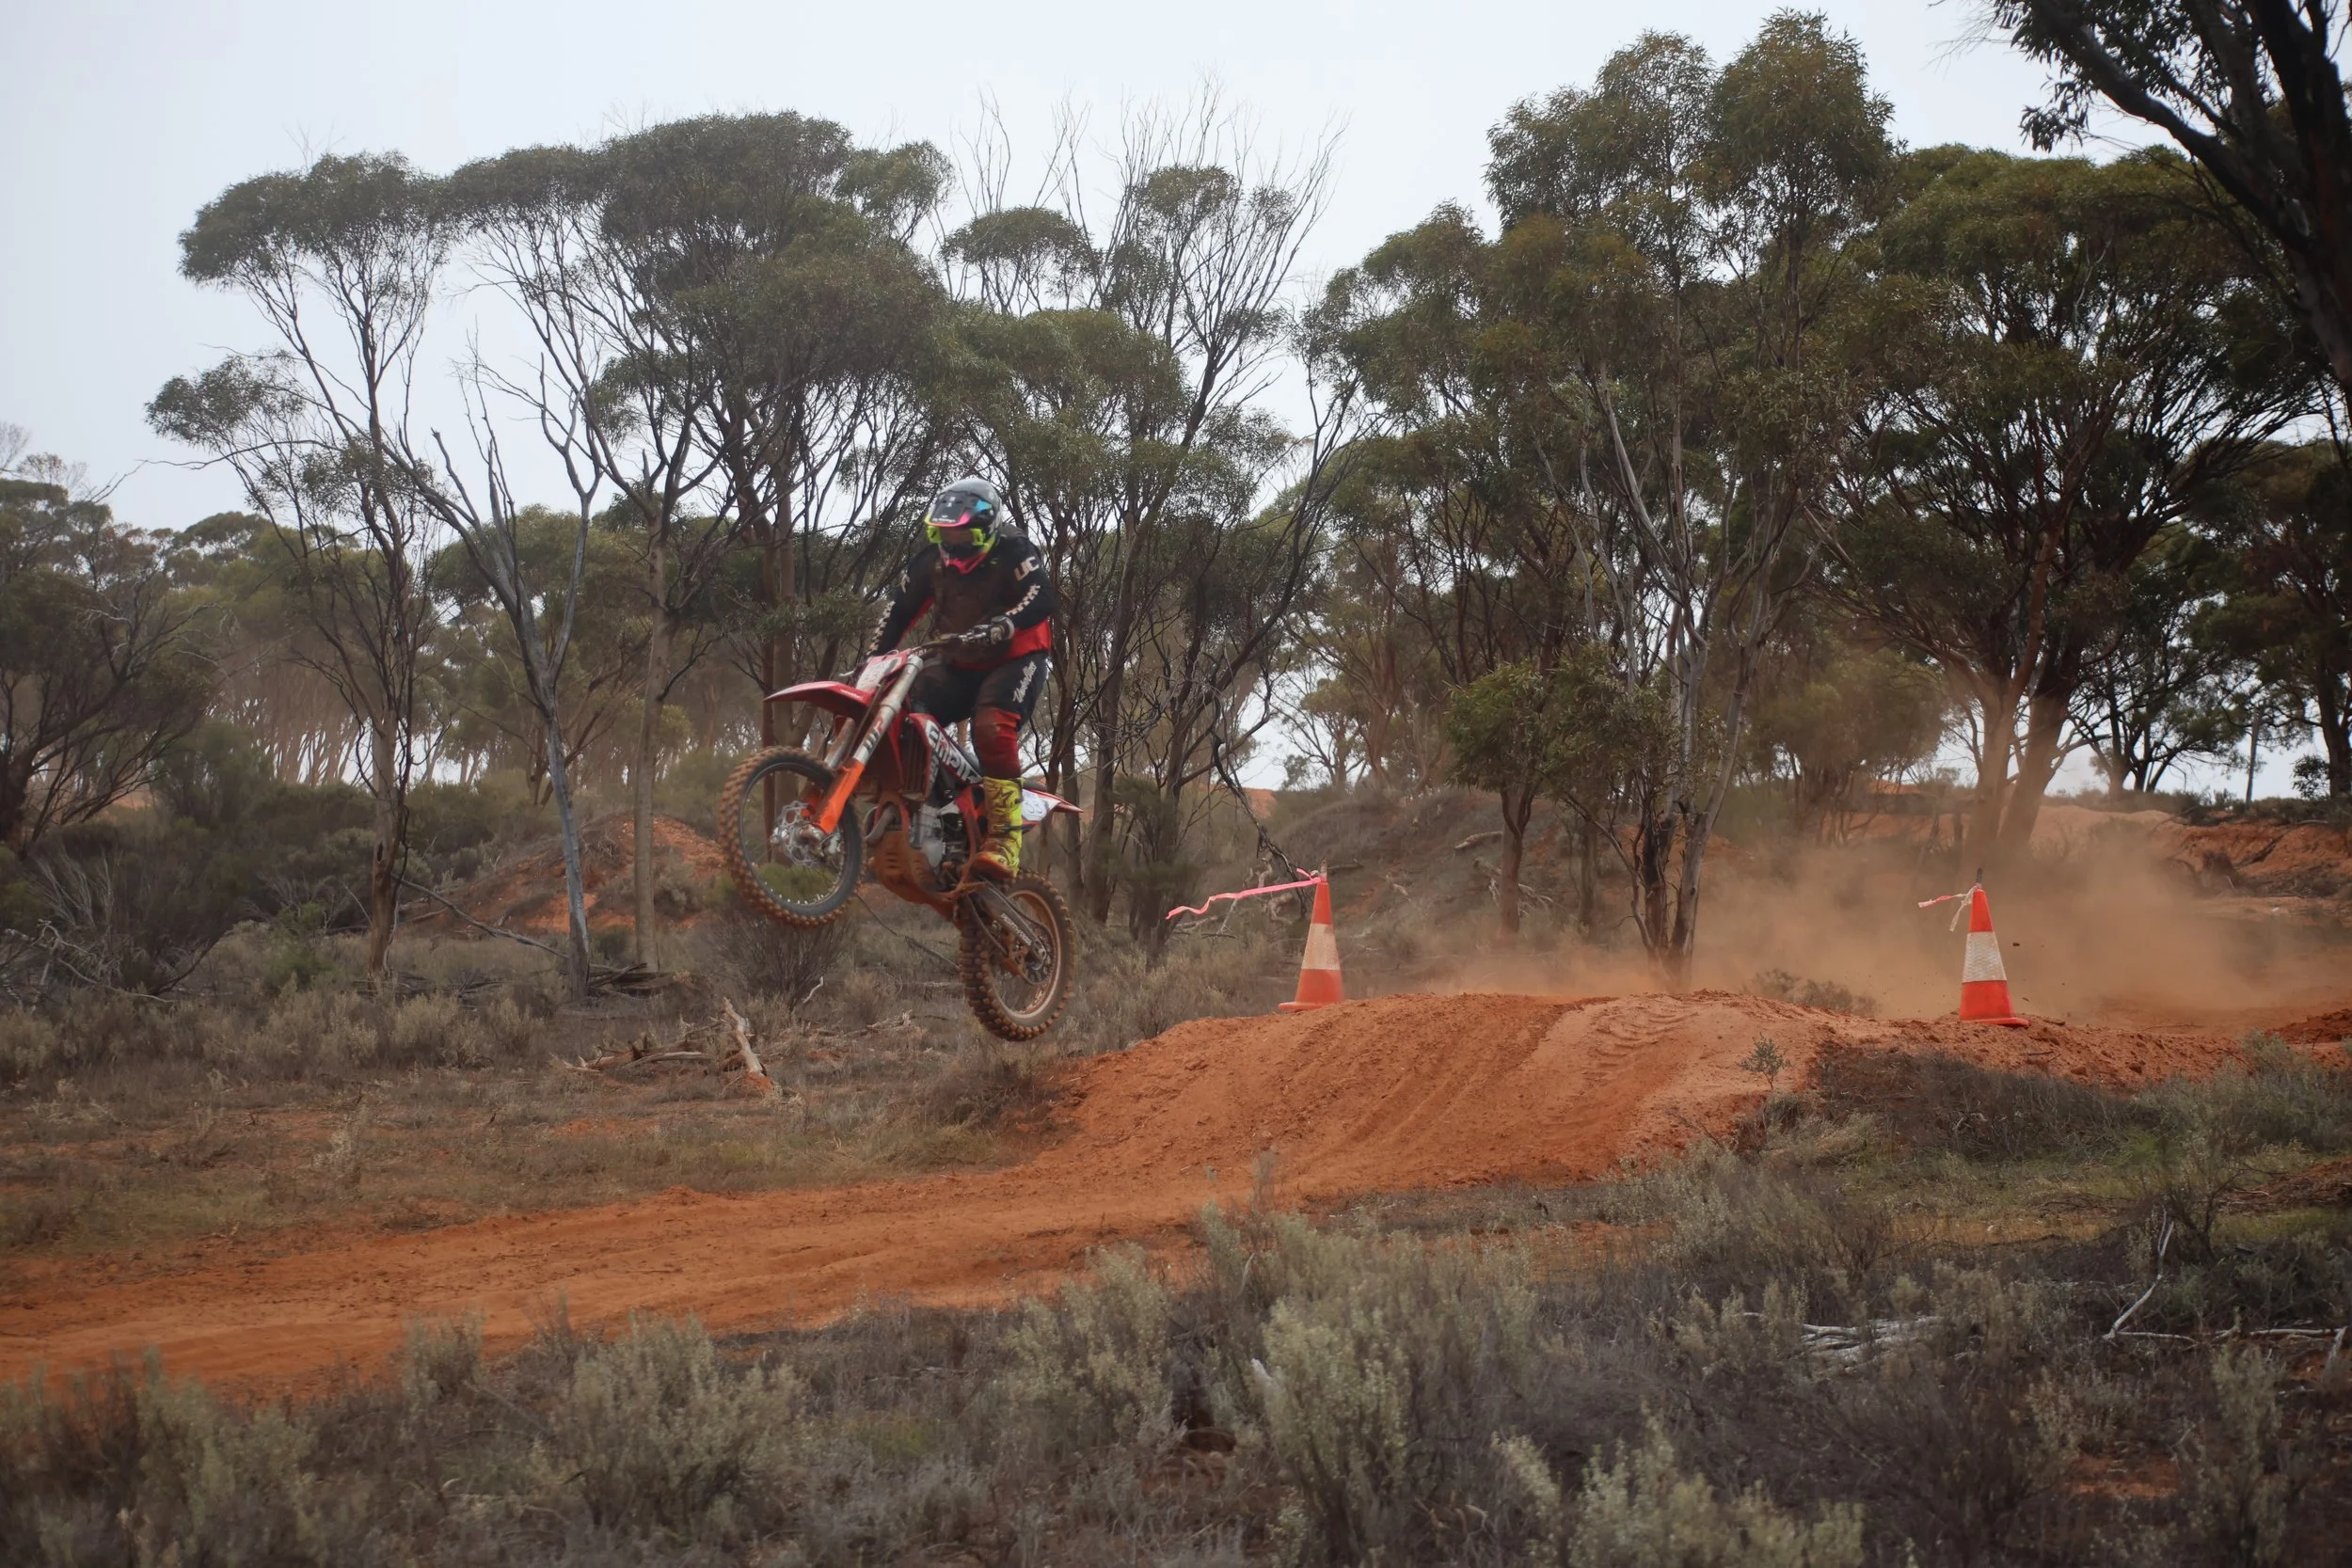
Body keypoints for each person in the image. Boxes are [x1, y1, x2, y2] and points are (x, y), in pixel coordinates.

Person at [866, 476, 1057, 879]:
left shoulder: (1015, 551)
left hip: (1015, 660)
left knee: (991, 727)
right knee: (896, 702)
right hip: (957, 661)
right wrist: (873, 662)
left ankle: (1005, 838)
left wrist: (1006, 623)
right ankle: (922, 807)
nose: (953, 546)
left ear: (987, 530)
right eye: (944, 535)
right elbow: (898, 611)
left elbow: (1042, 595)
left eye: (963, 536)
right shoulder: (929, 562)